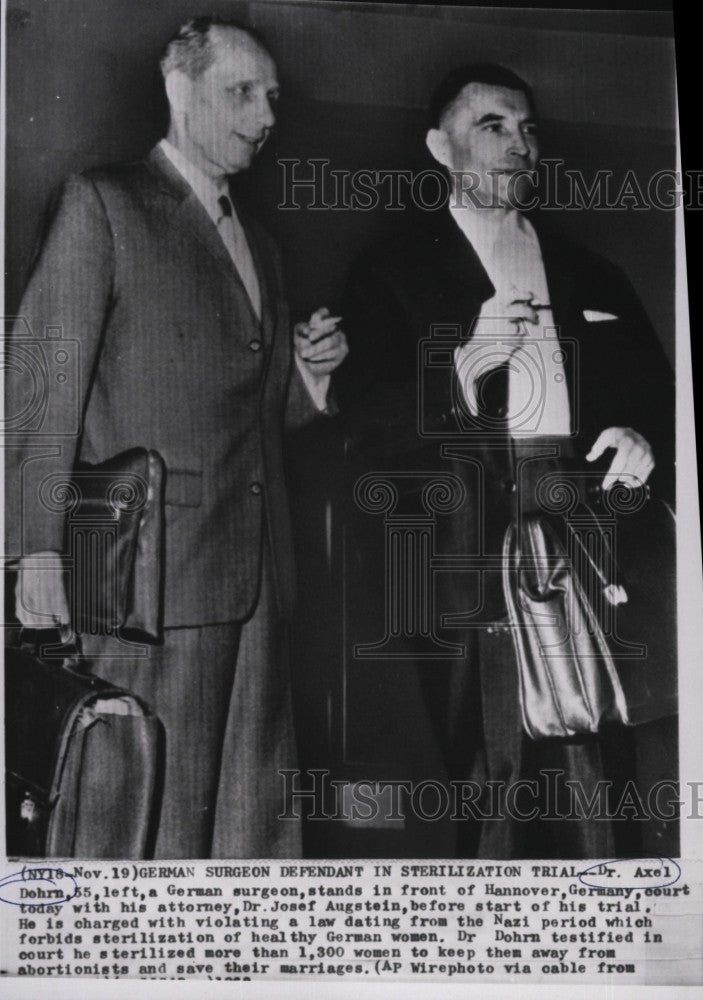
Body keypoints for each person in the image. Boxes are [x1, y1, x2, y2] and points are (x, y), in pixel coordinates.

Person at [5, 16, 348, 859]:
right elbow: (40, 390)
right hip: (145, 581)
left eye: (271, 98)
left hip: (259, 580)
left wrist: (308, 382)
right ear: (179, 87)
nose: (264, 115)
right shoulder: (105, 203)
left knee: (251, 827)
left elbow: (254, 419)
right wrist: (36, 553)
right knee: (142, 815)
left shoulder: (262, 246)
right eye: (241, 92)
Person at [336, 63, 674, 858]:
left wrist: (640, 436)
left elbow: (655, 395)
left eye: (526, 129)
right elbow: (364, 431)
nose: (517, 145)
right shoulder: (391, 272)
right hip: (463, 538)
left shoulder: (592, 271)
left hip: (587, 516)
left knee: (601, 747)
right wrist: (460, 367)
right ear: (437, 145)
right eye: (491, 125)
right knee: (491, 772)